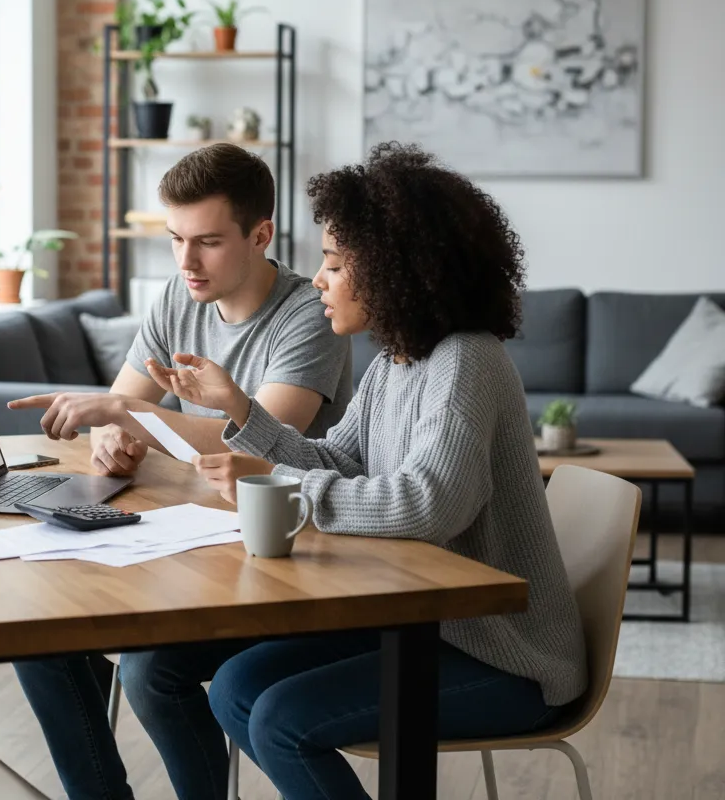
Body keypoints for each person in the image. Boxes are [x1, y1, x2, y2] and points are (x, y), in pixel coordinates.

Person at [145, 142, 589, 800]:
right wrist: (242, 415)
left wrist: (283, 488)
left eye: (334, 264)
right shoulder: (396, 362)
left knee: (279, 719)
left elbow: (427, 505)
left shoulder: (467, 360)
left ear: (392, 269)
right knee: (238, 688)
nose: (318, 279)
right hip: (417, 621)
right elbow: (339, 458)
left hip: (503, 654)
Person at [6, 142, 352, 800]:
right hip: (186, 541)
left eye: (208, 242)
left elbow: (264, 447)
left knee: (146, 671)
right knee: (35, 628)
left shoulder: (311, 314)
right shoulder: (178, 296)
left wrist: (127, 415)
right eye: (175, 239)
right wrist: (114, 437)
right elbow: (124, 405)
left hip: (284, 557)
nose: (186, 261)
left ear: (261, 234)